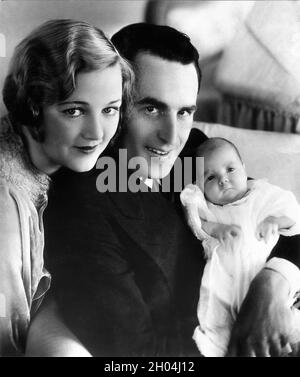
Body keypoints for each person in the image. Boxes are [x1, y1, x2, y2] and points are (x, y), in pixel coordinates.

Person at [40, 23, 300, 357]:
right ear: (112, 101)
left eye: (184, 112)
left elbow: (272, 214)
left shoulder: (193, 151)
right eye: (151, 108)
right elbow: (137, 354)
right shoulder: (82, 204)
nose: (171, 136)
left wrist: (269, 288)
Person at [0, 18, 133, 356]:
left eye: (110, 110)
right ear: (33, 107)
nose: (97, 133)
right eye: (74, 111)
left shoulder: (54, 156)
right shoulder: (8, 207)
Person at [180, 137, 300, 356]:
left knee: (289, 334)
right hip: (226, 284)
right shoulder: (209, 207)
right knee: (227, 337)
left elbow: (293, 216)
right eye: (211, 177)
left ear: (244, 168)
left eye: (230, 170)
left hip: (263, 276)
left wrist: (275, 221)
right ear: (199, 185)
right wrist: (216, 229)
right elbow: (197, 223)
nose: (223, 180)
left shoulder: (262, 194)